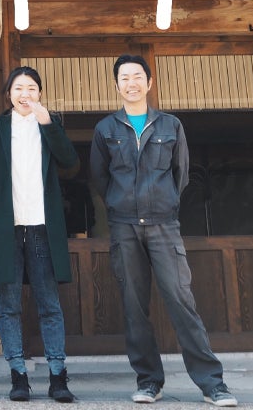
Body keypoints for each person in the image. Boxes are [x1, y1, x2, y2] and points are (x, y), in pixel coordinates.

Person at [90, 54, 238, 408]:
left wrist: (163, 203)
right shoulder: (106, 129)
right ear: (116, 85)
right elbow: (99, 177)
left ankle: (212, 384)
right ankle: (148, 381)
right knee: (134, 308)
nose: (131, 83)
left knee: (181, 301)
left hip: (163, 225)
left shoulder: (170, 125)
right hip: (124, 227)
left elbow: (180, 174)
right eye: (124, 78)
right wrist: (120, 204)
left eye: (137, 76)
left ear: (149, 82)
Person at [0, 66, 79, 404]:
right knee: (8, 305)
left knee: (49, 304)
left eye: (31, 88)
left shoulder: (50, 124)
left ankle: (58, 377)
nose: (25, 94)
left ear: (40, 93)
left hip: (42, 227)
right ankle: (18, 375)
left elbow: (70, 163)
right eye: (18, 88)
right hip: (6, 228)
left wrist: (48, 125)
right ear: (9, 94)